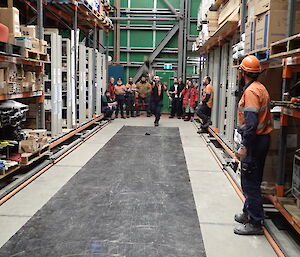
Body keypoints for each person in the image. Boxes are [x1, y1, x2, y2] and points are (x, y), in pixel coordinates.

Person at [234, 55, 272, 235]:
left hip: (254, 142)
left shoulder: (250, 92)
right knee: (253, 179)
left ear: (242, 73)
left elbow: (251, 123)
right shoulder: (260, 87)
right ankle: (247, 211)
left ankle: (255, 222)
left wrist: (244, 146)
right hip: (262, 140)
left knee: (249, 182)